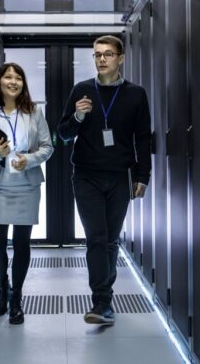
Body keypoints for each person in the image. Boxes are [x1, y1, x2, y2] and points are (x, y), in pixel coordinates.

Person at [57, 35, 152, 325]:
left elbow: (143, 139)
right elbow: (62, 134)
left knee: (110, 240)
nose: (101, 59)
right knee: (97, 239)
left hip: (120, 177)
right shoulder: (82, 90)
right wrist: (78, 116)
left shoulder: (136, 94)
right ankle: (101, 302)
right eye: (98, 54)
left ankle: (104, 298)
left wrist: (143, 176)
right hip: (86, 176)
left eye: (108, 54)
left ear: (120, 59)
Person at [0, 62, 53, 325]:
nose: (13, 81)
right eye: (8, 77)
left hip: (27, 186)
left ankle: (16, 298)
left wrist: (29, 160)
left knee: (22, 244)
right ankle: (2, 285)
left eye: (18, 77)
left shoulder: (34, 112)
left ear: (23, 84)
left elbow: (47, 146)